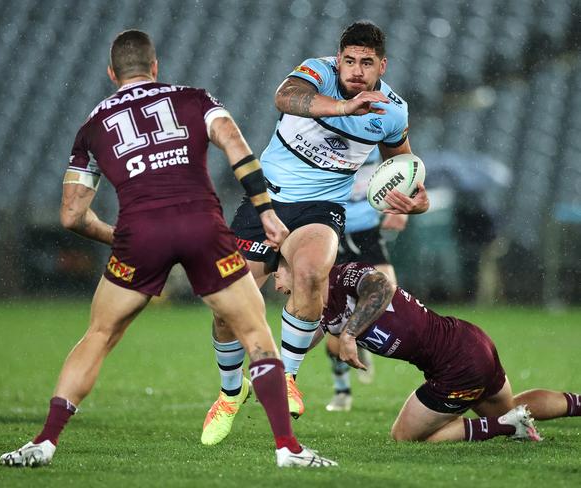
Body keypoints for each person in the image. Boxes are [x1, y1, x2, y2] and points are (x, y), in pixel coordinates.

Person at [0, 29, 336, 468]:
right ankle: (287, 448)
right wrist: (265, 210)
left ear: (111, 72)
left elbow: (71, 216)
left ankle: (44, 442)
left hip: (141, 231)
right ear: (155, 67)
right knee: (256, 333)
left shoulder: (93, 126)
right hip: (201, 223)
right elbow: (237, 148)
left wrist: (118, 236)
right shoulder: (194, 99)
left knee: (99, 336)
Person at [201, 20, 429, 446]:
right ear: (337, 59)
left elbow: (403, 163)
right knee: (228, 303)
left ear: (383, 65)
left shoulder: (393, 110)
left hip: (323, 207)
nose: (356, 70)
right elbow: (284, 97)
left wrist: (418, 197)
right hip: (266, 199)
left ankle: (285, 376)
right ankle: (231, 392)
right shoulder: (316, 72)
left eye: (366, 63)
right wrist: (344, 107)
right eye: (349, 60)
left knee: (310, 272)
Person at [272, 259, 581, 442]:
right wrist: (273, 368)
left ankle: (504, 426)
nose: (276, 286)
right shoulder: (321, 311)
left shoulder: (344, 275)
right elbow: (297, 344)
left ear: (297, 268)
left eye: (277, 274)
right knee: (510, 409)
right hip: (468, 344)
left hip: (456, 364)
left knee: (404, 437)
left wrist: (350, 334)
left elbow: (383, 287)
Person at [325, 150, 408, 412]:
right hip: (329, 229)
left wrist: (402, 207)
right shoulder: (324, 131)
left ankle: (358, 338)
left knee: (389, 298)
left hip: (366, 230)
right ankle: (342, 390)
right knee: (329, 321)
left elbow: (405, 166)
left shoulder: (376, 133)